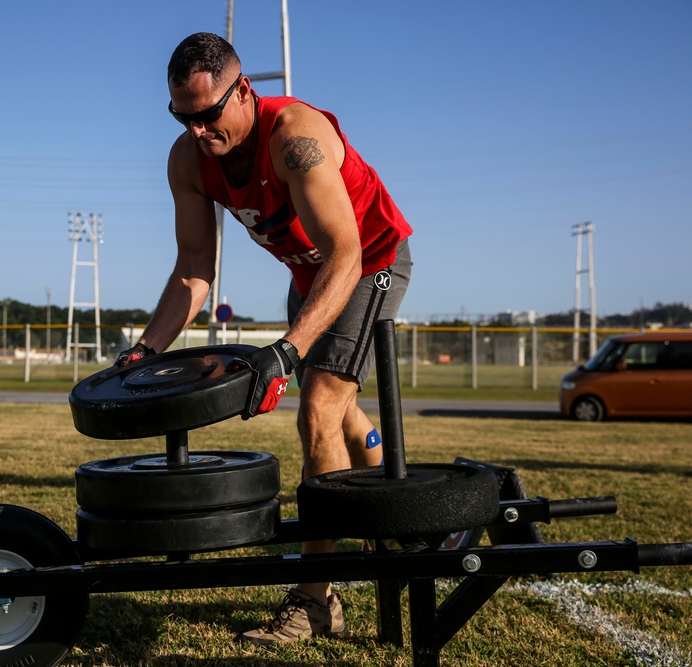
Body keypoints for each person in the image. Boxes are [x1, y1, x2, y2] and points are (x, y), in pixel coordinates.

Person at [116, 32, 413, 644]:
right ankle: (400, 510)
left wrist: (288, 348)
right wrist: (146, 349)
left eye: (208, 114)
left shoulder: (296, 139)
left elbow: (346, 253)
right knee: (338, 405)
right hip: (311, 272)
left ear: (244, 90)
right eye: (183, 116)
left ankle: (316, 597)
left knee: (319, 406)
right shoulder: (187, 160)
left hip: (368, 260)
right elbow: (194, 268)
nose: (198, 131)